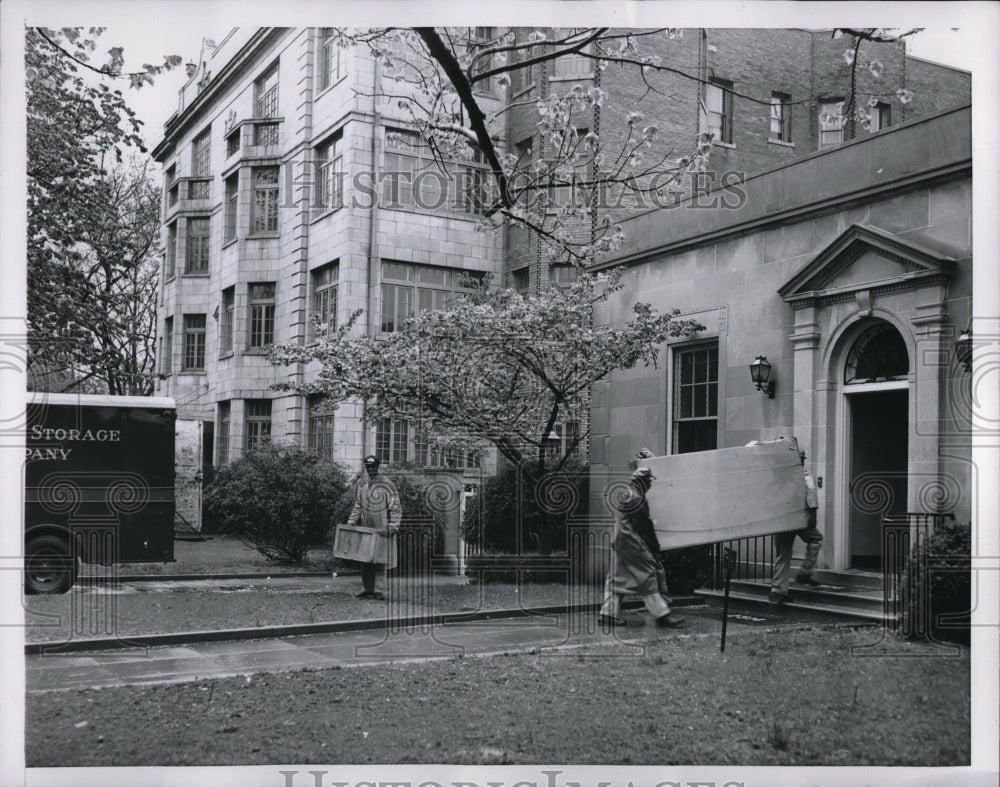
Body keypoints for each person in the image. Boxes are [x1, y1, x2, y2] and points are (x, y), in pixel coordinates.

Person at [599, 465, 686, 629]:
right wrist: (655, 547)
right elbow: (644, 527)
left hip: (620, 541)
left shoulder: (627, 494)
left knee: (616, 579)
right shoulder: (637, 498)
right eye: (649, 482)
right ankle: (662, 615)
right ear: (642, 482)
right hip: (633, 543)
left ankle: (607, 614)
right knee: (648, 576)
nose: (651, 485)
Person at [769, 448, 823, 605]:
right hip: (799, 518)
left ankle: (777, 591)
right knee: (816, 539)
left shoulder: (779, 475)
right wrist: (812, 516)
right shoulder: (803, 473)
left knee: (782, 554)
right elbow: (811, 495)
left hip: (782, 519)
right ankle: (805, 572)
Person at [346, 454, 401, 600]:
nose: (371, 469)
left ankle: (378, 590)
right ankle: (367, 588)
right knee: (365, 560)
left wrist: (393, 524)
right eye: (368, 467)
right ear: (366, 467)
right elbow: (358, 505)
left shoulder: (387, 484)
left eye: (373, 467)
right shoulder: (362, 483)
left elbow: (395, 506)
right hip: (365, 527)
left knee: (379, 560)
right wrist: (351, 521)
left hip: (381, 527)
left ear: (378, 466)